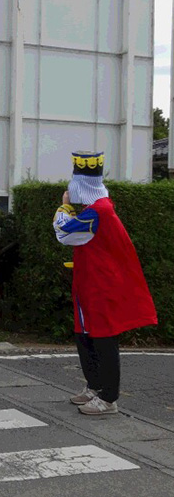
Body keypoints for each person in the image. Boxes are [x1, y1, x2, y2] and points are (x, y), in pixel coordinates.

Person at [53, 151, 157, 415]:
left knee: (103, 338)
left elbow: (64, 233)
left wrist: (64, 207)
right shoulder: (96, 209)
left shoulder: (98, 212)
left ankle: (109, 398)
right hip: (90, 283)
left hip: (102, 285)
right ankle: (95, 386)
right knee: (85, 336)